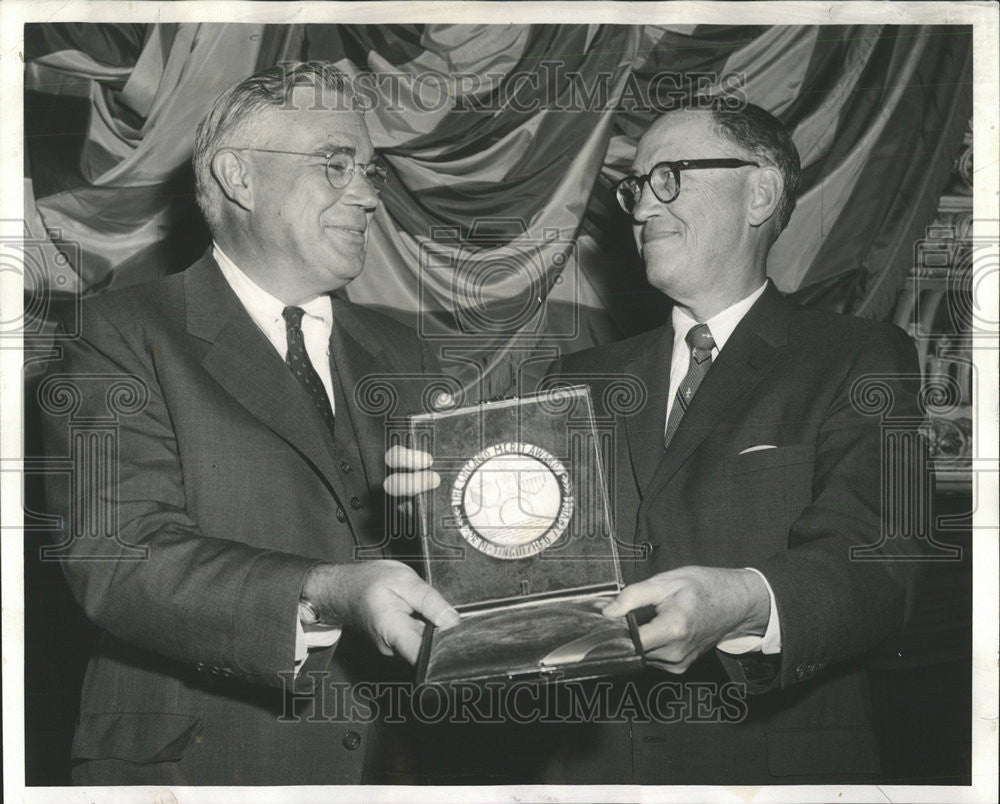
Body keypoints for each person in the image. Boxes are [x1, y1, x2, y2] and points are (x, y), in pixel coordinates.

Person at [386, 99, 928, 784]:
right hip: (581, 770)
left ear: (759, 191)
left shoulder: (856, 358)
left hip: (773, 771)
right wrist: (447, 512)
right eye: (635, 186)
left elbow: (882, 563)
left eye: (670, 176)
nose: (641, 209)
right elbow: (531, 574)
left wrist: (748, 601)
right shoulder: (575, 379)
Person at [41, 62, 459, 786]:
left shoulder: (405, 352)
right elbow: (120, 560)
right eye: (335, 164)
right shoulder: (114, 335)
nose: (366, 195)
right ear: (239, 178)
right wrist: (327, 590)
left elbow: (435, 575)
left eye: (370, 171)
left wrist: (459, 519)